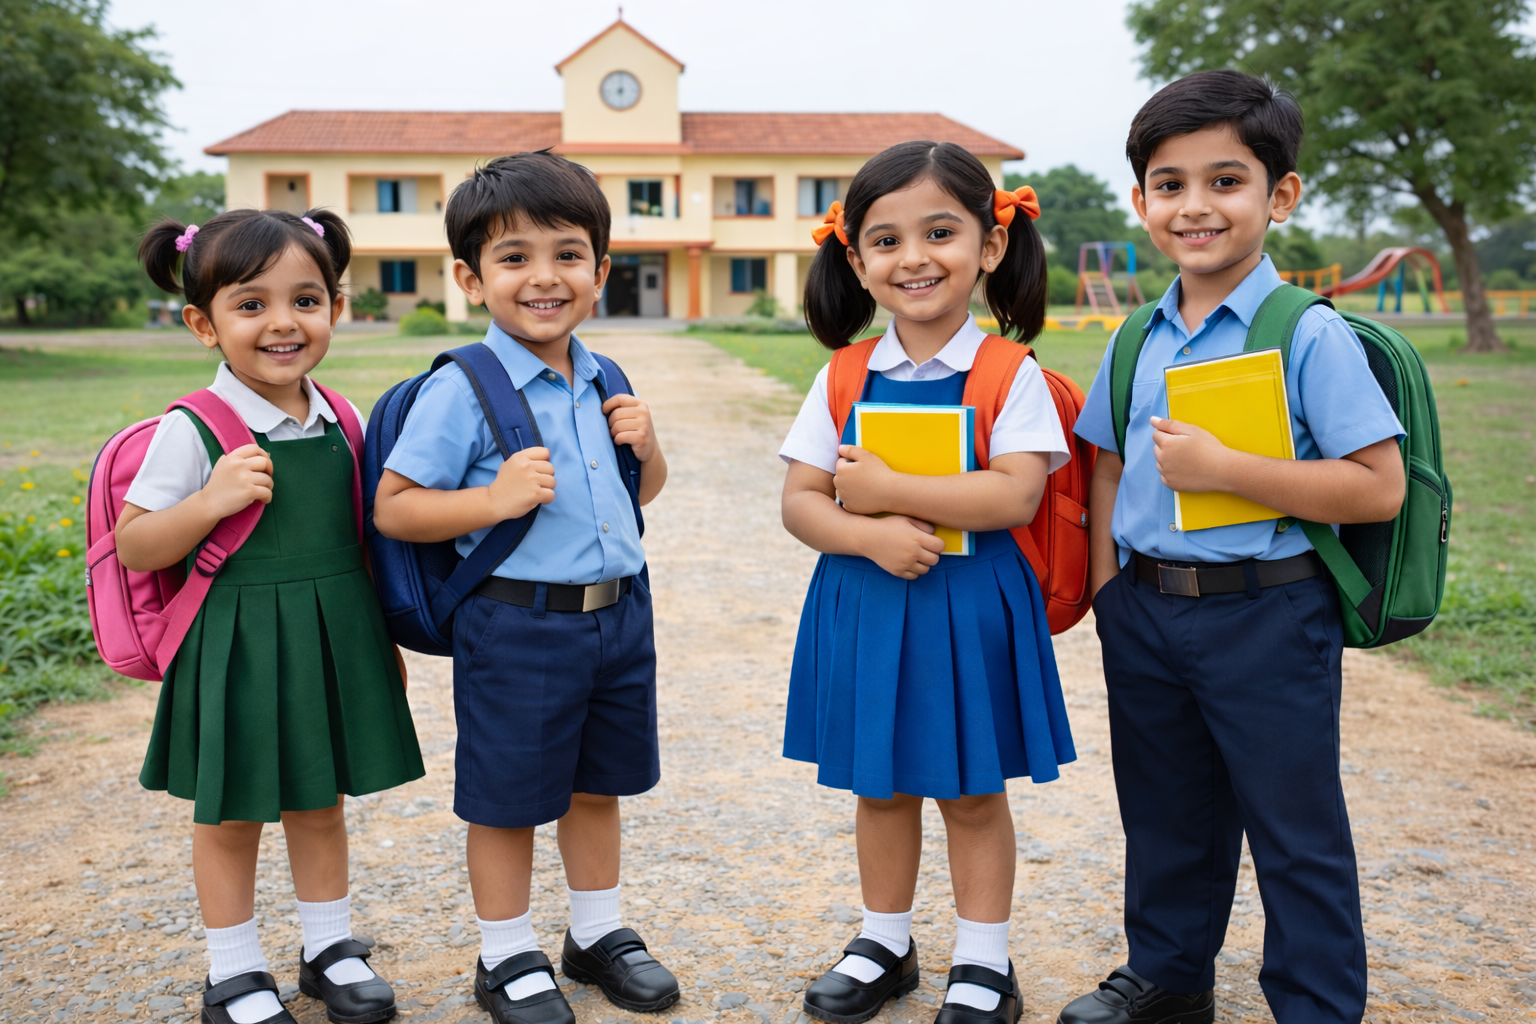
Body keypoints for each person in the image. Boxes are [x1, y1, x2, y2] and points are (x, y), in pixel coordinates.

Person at [1059, 71, 1406, 1024]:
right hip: (1148, 610)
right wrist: (1109, 595)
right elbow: (1102, 463)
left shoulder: (1308, 334)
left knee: (1294, 829)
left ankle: (1315, 1004)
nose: (1195, 206)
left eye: (1226, 180)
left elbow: (1378, 484)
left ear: (1279, 195)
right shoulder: (1137, 337)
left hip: (1271, 608)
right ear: (1141, 203)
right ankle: (1168, 977)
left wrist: (1228, 467)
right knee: (1166, 813)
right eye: (1170, 185)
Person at [371, 151, 675, 1024]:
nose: (544, 277)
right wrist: (492, 500)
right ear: (471, 278)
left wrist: (648, 447)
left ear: (601, 271)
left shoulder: (606, 376)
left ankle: (598, 932)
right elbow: (396, 508)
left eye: (568, 254)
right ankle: (505, 954)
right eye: (514, 258)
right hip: (518, 624)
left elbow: (637, 493)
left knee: (597, 785)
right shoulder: (461, 388)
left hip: (618, 616)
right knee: (507, 800)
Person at [779, 140, 1077, 1024]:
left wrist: (885, 494)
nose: (914, 258)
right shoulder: (841, 375)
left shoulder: (1007, 373)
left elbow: (1016, 491)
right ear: (857, 261)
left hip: (970, 602)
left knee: (973, 788)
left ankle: (985, 958)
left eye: (940, 233)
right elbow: (799, 502)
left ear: (988, 247)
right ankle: (885, 940)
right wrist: (865, 538)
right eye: (885, 240)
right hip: (869, 600)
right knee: (881, 782)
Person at [121, 208, 425, 1024]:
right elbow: (137, 544)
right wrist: (211, 500)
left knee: (320, 801)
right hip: (238, 646)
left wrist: (383, 643)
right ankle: (234, 971)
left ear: (337, 307)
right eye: (251, 304)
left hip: (331, 637)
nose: (283, 323)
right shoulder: (194, 429)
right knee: (232, 809)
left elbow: (363, 542)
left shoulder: (347, 420)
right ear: (202, 323)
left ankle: (329, 947)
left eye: (306, 299)